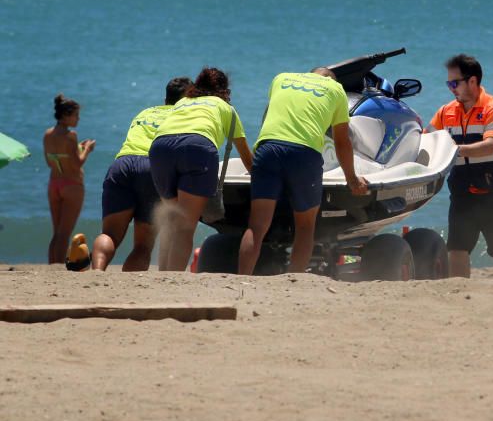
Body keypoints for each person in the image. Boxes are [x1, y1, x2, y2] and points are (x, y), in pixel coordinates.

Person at [238, 68, 368, 275]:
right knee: (305, 226)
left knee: (257, 226)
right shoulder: (336, 90)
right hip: (304, 153)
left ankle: (241, 279)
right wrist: (351, 179)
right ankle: (294, 278)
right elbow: (342, 141)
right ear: (331, 79)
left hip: (267, 147)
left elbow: (271, 114)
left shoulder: (281, 78)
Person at [149, 68, 253, 271]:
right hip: (197, 147)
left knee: (173, 222)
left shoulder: (182, 102)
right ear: (223, 90)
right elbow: (246, 157)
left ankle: (163, 275)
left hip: (160, 148)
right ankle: (174, 278)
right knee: (186, 228)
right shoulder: (225, 108)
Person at [429, 54, 493, 279]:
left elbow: (490, 146)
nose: (451, 88)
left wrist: (454, 150)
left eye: (455, 83)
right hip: (463, 192)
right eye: (448, 83)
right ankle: (461, 295)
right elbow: (429, 139)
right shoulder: (446, 111)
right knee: (457, 250)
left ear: (472, 81)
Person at [91, 77, 193, 271]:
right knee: (143, 245)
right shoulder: (183, 115)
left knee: (110, 235)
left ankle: (97, 272)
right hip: (152, 168)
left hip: (122, 164)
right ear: (187, 97)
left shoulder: (145, 112)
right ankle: (129, 286)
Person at [43, 94, 96, 264]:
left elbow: (51, 161)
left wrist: (78, 148)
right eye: (76, 115)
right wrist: (87, 149)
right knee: (64, 233)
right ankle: (58, 266)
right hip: (72, 185)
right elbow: (77, 164)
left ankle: (52, 264)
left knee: (56, 232)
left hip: (54, 184)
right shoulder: (71, 136)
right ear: (66, 115)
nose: (78, 119)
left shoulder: (48, 134)